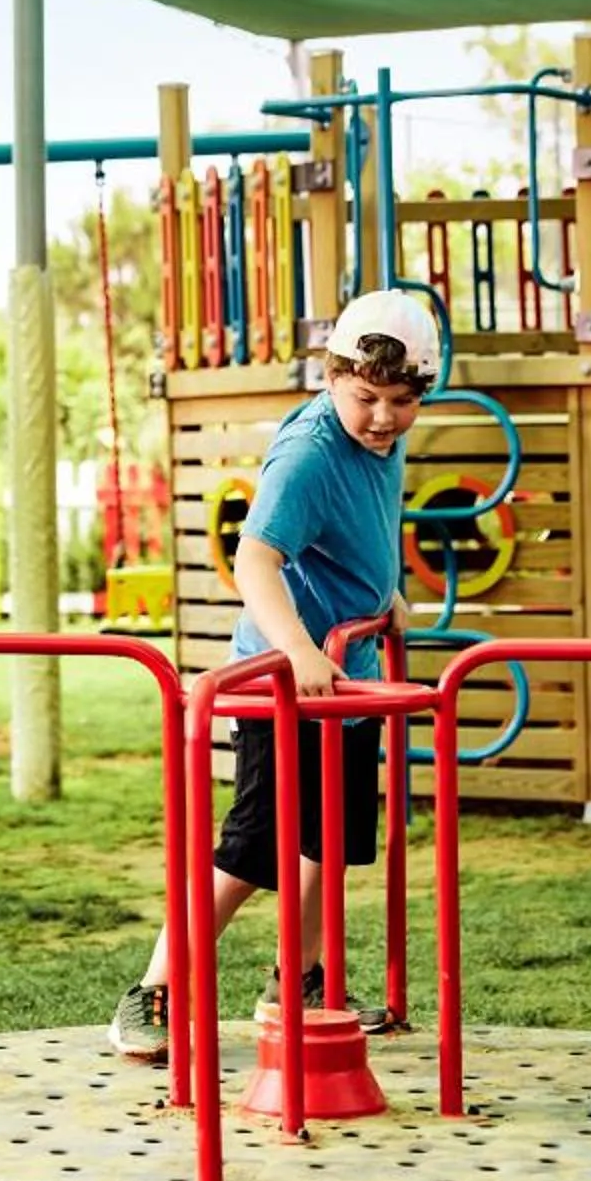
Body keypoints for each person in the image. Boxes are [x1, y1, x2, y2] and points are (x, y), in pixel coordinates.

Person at [108, 288, 437, 1064]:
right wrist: (296, 649)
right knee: (254, 848)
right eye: (366, 399)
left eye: (400, 401)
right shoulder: (310, 454)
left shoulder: (381, 439)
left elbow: (358, 528)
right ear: (332, 378)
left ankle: (301, 981)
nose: (382, 418)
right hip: (280, 686)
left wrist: (381, 593)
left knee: (331, 844)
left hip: (346, 677)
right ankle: (153, 990)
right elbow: (256, 559)